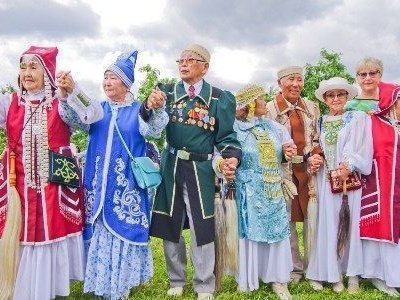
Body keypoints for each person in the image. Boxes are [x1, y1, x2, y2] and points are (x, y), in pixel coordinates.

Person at [58, 50, 168, 299]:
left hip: (125, 189)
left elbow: (154, 130)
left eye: (113, 78)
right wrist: (66, 96)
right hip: (96, 187)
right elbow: (72, 118)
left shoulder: (139, 110)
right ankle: (100, 285)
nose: (107, 82)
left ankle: (120, 285)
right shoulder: (97, 110)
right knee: (98, 231)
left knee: (120, 232)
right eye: (105, 77)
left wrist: (156, 108)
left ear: (126, 84)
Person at [0, 46, 100, 300]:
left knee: (50, 230)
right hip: (17, 183)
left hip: (54, 183)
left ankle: (47, 288)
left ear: (47, 72)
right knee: (17, 232)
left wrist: (73, 91)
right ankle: (17, 286)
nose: (27, 73)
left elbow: (93, 116)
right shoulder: (10, 103)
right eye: (23, 67)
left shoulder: (61, 104)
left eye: (33, 67)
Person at [149, 44, 242, 300]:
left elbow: (227, 136)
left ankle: (204, 284)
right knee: (171, 223)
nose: (184, 63)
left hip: (201, 168)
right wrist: (150, 104)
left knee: (203, 226)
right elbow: (149, 121)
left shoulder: (218, 98)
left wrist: (231, 157)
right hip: (171, 166)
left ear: (205, 67)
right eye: (181, 59)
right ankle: (176, 279)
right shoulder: (167, 92)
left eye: (191, 59)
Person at [215, 84, 296, 299]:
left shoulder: (273, 127)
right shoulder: (231, 129)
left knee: (277, 231)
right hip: (246, 190)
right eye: (261, 99)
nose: (265, 103)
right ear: (250, 104)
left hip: (272, 189)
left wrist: (287, 153)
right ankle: (249, 276)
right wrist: (222, 167)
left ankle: (278, 279)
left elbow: (284, 151)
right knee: (249, 233)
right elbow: (217, 155)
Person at [305, 77, 373, 293]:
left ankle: (352, 274)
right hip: (326, 180)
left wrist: (349, 165)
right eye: (331, 95)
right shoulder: (321, 121)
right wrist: (316, 159)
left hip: (349, 180)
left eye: (340, 94)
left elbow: (363, 146)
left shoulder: (358, 117)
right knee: (329, 225)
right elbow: (319, 148)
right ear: (325, 99)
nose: (336, 99)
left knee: (350, 224)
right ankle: (332, 274)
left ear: (347, 96)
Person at [348, 57, 400, 296]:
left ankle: (390, 272)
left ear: (380, 75)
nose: (368, 78)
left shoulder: (391, 100)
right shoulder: (353, 107)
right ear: (357, 77)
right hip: (367, 173)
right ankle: (365, 274)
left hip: (391, 172)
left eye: (373, 73)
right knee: (366, 220)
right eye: (363, 74)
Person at [266, 66, 323, 282]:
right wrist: (281, 152)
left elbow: (319, 137)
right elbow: (264, 141)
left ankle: (314, 268)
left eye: (299, 80)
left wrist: (317, 155)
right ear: (280, 82)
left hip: (309, 170)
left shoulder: (312, 107)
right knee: (287, 219)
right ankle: (294, 268)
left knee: (312, 217)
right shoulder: (270, 109)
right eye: (291, 80)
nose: (296, 84)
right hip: (283, 172)